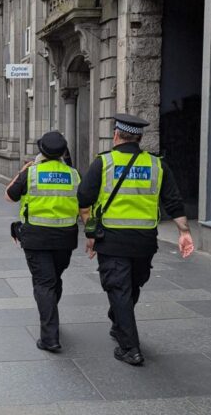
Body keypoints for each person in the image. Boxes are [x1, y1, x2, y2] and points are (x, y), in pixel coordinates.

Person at [78, 114, 195, 366]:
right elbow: (173, 200)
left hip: (112, 239)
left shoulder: (103, 163)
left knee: (120, 289)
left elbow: (84, 199)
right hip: (144, 242)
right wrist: (184, 231)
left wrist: (90, 234)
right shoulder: (157, 165)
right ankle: (121, 325)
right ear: (140, 138)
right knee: (132, 286)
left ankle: (130, 349)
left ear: (117, 135)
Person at [5, 131, 80, 353]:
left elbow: (9, 195)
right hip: (65, 238)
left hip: (37, 237)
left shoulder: (32, 173)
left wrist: (22, 171)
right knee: (54, 279)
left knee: (44, 284)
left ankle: (50, 338)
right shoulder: (74, 174)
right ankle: (51, 316)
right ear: (63, 152)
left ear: (41, 151)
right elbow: (83, 202)